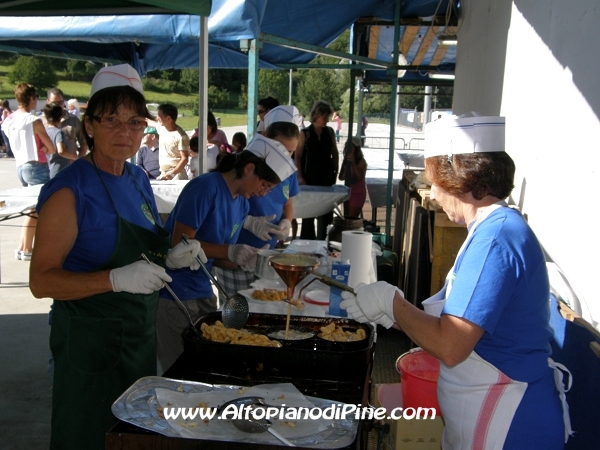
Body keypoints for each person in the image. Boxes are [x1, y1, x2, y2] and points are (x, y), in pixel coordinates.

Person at [341, 115, 570, 449]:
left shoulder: (496, 239)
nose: (432, 193)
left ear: (460, 179)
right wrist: (395, 318)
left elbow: (451, 344)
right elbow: (460, 321)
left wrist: (393, 303)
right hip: (485, 414)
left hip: (510, 423)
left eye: (435, 181)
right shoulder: (490, 230)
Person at [29, 64, 205, 450]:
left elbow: (144, 250)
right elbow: (41, 281)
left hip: (139, 343)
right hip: (89, 352)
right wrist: (113, 279)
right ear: (89, 125)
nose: (125, 132)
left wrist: (170, 258)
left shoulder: (138, 178)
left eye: (135, 121)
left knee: (131, 440)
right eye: (112, 120)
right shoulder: (70, 191)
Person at [156, 131, 296, 372]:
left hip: (202, 290)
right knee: (180, 368)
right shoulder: (205, 188)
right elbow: (180, 245)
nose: (264, 193)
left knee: (208, 362)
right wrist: (231, 251)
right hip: (175, 292)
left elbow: (217, 256)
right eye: (264, 185)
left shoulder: (241, 202)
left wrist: (248, 261)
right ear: (249, 168)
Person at [214, 105, 301, 302]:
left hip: (266, 256)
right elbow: (224, 208)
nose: (285, 156)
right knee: (237, 315)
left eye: (290, 151)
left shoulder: (286, 170)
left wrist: (286, 223)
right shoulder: (244, 174)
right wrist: (249, 222)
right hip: (235, 256)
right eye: (280, 149)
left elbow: (287, 204)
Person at [2, 83, 56, 261]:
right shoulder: (33, 120)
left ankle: (23, 247)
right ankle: (26, 248)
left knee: (30, 209)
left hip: (20, 165)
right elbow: (51, 147)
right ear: (31, 99)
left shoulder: (9, 120)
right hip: (36, 165)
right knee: (36, 210)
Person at [294, 100, 339, 239]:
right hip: (309, 176)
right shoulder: (305, 133)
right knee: (309, 214)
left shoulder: (330, 132)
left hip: (326, 177)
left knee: (327, 212)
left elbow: (335, 152)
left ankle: (325, 241)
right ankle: (307, 243)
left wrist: (335, 171)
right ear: (316, 115)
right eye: (324, 116)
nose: (326, 120)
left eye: (327, 116)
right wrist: (300, 177)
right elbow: (298, 155)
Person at [46, 88, 88, 157]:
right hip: (50, 166)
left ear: (64, 102)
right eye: (54, 103)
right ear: (47, 102)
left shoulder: (74, 120)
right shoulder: (41, 121)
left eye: (60, 102)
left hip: (71, 164)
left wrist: (78, 160)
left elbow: (83, 142)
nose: (57, 106)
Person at [151, 103, 189, 180]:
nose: (157, 118)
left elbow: (185, 158)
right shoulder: (161, 128)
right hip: (163, 173)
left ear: (168, 118)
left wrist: (173, 173)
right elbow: (148, 120)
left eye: (159, 116)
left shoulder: (181, 136)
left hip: (176, 176)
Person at [43, 103, 77, 178]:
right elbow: (61, 151)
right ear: (60, 116)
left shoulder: (44, 131)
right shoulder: (58, 132)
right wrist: (76, 157)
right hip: (59, 169)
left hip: (47, 168)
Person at [338, 136, 367, 218]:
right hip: (348, 192)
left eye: (352, 147)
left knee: (351, 218)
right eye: (347, 146)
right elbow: (340, 177)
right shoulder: (345, 160)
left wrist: (353, 163)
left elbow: (359, 177)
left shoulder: (361, 161)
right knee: (346, 216)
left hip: (358, 193)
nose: (348, 149)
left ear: (356, 149)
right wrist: (344, 175)